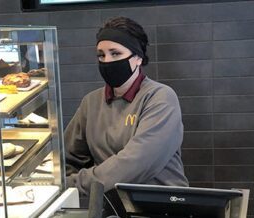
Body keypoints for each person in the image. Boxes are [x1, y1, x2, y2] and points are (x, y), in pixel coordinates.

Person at [64, 16, 188, 216]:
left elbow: (134, 164)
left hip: (162, 208)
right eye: (101, 55)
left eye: (115, 53)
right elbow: (68, 157)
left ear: (138, 58)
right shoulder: (91, 102)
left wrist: (73, 183)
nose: (107, 61)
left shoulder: (160, 98)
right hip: (111, 208)